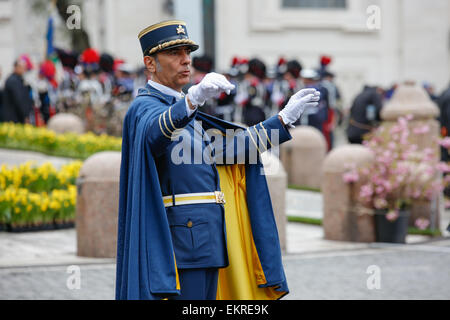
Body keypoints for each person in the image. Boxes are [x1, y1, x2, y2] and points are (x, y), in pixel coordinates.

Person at [115, 19, 320, 300]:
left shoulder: (183, 112)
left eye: (188, 53)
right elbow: (155, 134)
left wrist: (282, 119)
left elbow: (230, 150)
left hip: (209, 239)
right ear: (150, 63)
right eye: (175, 53)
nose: (186, 60)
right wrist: (191, 100)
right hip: (181, 244)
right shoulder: (145, 107)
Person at [1, 58, 33, 123]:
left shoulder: (19, 79)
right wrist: (25, 114)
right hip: (13, 117)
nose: (24, 70)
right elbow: (19, 99)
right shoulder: (13, 81)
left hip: (16, 116)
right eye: (22, 67)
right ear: (16, 67)